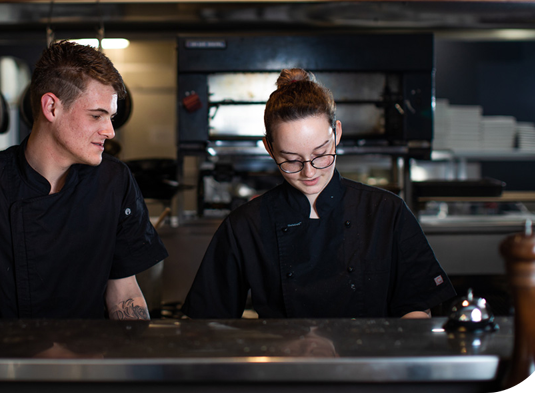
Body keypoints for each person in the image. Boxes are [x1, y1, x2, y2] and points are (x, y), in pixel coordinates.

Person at [0, 41, 168, 319]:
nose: (110, 131)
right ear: (51, 108)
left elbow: (124, 289)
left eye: (111, 118)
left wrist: (132, 346)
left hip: (86, 348)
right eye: (96, 116)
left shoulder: (114, 181)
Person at [182, 68, 455, 319]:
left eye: (321, 154)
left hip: (372, 357)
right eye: (291, 160)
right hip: (282, 358)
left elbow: (417, 310)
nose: (309, 172)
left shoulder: (386, 211)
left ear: (336, 134)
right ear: (269, 148)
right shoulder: (245, 226)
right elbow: (207, 322)